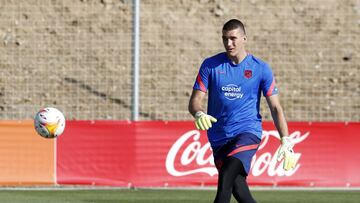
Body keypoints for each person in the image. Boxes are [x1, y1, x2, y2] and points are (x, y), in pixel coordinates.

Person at [188, 19, 297, 203]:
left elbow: (276, 107)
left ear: (244, 38)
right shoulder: (210, 65)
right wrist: (198, 113)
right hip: (219, 138)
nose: (228, 43)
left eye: (233, 38)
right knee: (240, 191)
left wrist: (285, 140)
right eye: (225, 39)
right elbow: (195, 101)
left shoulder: (260, 68)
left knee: (226, 177)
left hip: (247, 133)